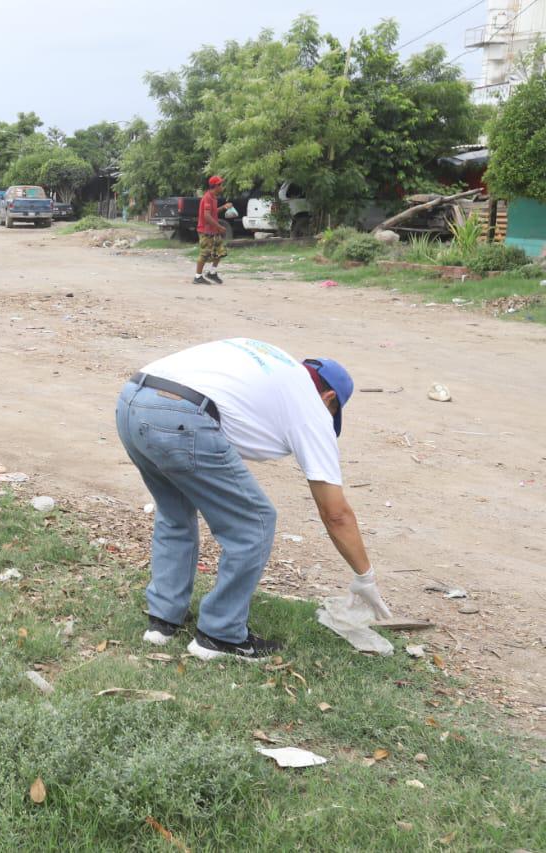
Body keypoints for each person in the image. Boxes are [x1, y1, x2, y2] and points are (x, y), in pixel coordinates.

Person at [115, 338, 393, 661]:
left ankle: (163, 621)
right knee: (255, 522)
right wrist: (365, 576)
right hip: (182, 415)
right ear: (329, 398)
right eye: (332, 411)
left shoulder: (276, 364)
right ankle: (219, 635)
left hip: (131, 401)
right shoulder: (311, 407)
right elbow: (335, 514)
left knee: (174, 511)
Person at [194, 176, 232, 285]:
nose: (222, 187)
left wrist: (224, 207)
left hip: (213, 230)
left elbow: (213, 212)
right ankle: (197, 277)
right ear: (216, 186)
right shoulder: (207, 198)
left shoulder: (213, 197)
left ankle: (212, 273)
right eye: (221, 185)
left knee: (220, 252)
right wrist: (219, 227)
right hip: (206, 231)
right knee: (204, 254)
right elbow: (207, 216)